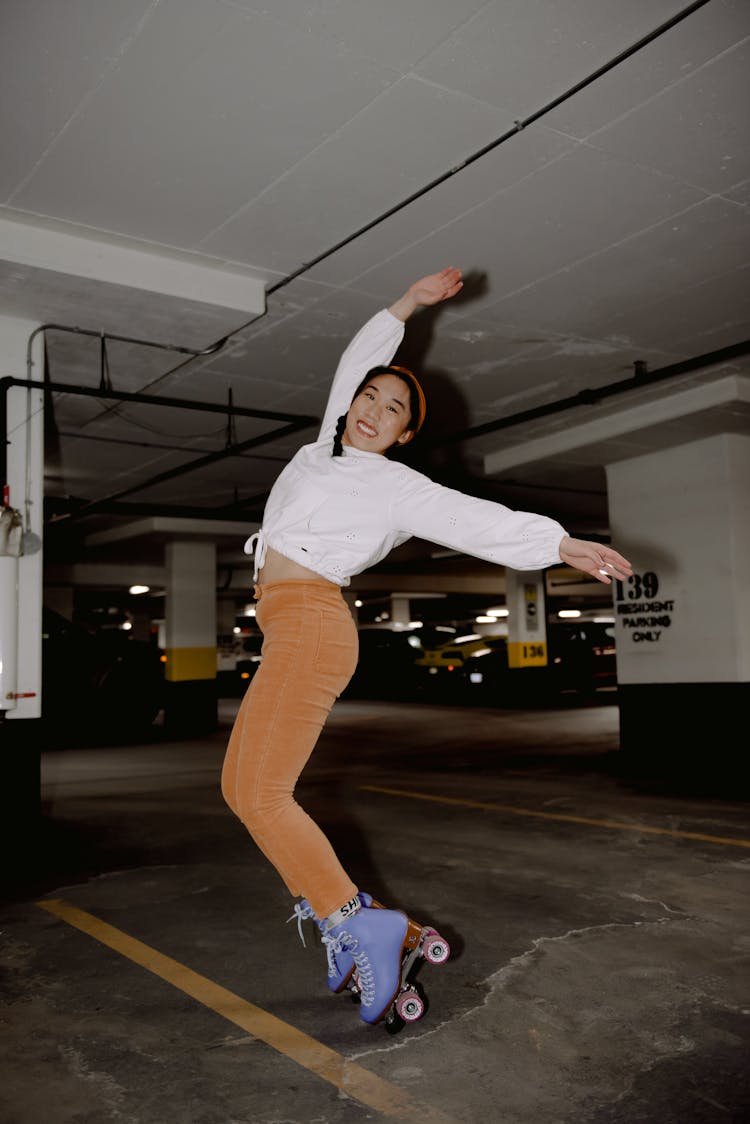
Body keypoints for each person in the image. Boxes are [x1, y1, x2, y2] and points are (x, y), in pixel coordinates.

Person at [221, 267, 633, 1026]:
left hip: (313, 622)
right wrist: (407, 305)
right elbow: (358, 361)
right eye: (368, 399)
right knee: (246, 791)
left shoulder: (394, 484)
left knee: (256, 794)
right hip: (288, 621)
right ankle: (366, 923)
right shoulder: (322, 451)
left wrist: (560, 543)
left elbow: (475, 516)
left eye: (394, 409)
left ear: (406, 433)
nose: (374, 411)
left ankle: (358, 921)